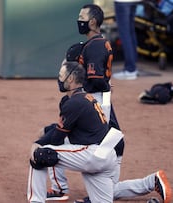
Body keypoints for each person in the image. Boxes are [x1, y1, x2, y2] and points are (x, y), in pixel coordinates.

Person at [45, 4, 125, 201]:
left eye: (82, 17)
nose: (78, 20)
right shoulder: (96, 43)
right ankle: (102, 191)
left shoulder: (95, 45)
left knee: (106, 142)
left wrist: (81, 91)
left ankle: (66, 189)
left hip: (96, 98)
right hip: (98, 97)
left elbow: (96, 79)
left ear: (92, 21)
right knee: (108, 140)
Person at [26, 61, 118, 203]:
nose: (59, 79)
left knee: (41, 154)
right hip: (107, 155)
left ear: (70, 79)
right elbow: (65, 126)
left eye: (61, 76)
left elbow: (57, 138)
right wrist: (47, 130)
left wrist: (37, 143)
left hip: (92, 154)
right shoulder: (85, 98)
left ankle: (37, 200)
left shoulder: (74, 103)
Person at [112, 0, 142, 80]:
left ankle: (130, 69)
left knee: (125, 34)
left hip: (122, 2)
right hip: (133, 1)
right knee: (130, 31)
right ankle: (133, 67)